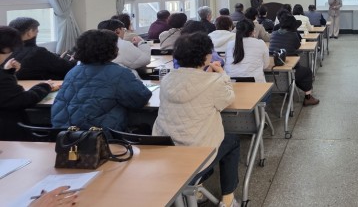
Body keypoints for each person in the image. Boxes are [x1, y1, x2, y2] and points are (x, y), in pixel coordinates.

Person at [152, 32, 240, 207]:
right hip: (197, 152)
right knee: (232, 141)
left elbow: (190, 82)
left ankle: (198, 188)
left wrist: (208, 75)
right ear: (207, 56)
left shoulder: (167, 78)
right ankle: (228, 199)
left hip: (166, 151)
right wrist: (222, 74)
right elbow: (229, 98)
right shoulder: (214, 82)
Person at [51, 29, 152, 132]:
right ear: (111, 49)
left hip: (63, 134)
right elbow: (140, 98)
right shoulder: (119, 73)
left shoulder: (72, 72)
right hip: (99, 134)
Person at [0, 26, 59, 141]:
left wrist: (7, 72)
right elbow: (23, 100)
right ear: (6, 48)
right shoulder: (39, 52)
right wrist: (45, 86)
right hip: (7, 132)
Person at [269, 15, 319, 106]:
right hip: (289, 70)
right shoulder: (293, 35)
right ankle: (308, 98)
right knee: (307, 72)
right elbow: (298, 46)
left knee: (298, 71)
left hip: (271, 72)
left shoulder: (274, 33)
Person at [8, 17, 76, 80]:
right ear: (29, 33)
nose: (38, 32)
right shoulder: (38, 52)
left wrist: (58, 59)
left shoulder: (6, 51)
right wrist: (73, 60)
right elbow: (68, 69)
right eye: (36, 30)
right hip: (45, 86)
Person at [224, 19, 272, 83]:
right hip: (256, 83)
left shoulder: (230, 44)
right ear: (252, 31)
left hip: (232, 83)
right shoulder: (260, 43)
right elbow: (266, 65)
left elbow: (226, 64)